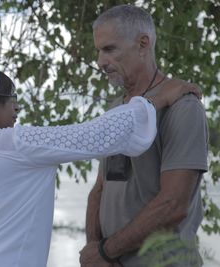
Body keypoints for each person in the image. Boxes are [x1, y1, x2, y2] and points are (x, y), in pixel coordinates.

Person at [0, 45, 200, 267]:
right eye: (13, 103)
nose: (17, 113)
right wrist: (156, 100)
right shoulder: (11, 143)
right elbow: (94, 135)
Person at [80, 4, 208, 267]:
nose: (100, 62)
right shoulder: (116, 110)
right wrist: (95, 249)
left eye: (109, 49)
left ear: (142, 44)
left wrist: (106, 251)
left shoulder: (183, 106)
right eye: (98, 51)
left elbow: (173, 205)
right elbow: (100, 188)